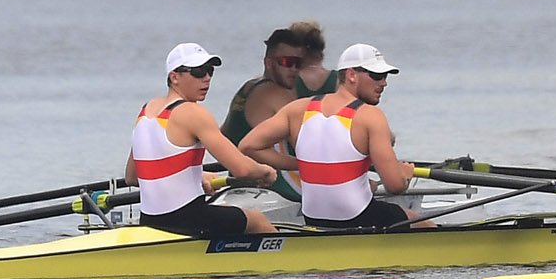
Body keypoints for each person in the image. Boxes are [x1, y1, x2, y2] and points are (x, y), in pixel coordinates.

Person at [241, 43, 425, 231]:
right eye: (376, 76)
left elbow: (248, 146)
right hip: (358, 216)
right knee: (421, 223)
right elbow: (394, 186)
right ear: (351, 75)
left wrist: (300, 164)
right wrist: (405, 175)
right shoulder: (371, 116)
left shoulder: (298, 109)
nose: (383, 82)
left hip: (314, 218)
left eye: (385, 76)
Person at [125, 43, 279, 239]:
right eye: (198, 72)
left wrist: (196, 176)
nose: (206, 78)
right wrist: (266, 172)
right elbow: (243, 170)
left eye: (209, 71)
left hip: (149, 221)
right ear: (174, 77)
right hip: (189, 221)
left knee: (227, 209)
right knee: (257, 220)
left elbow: (133, 177)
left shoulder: (147, 111)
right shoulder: (193, 112)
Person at [220, 21, 337, 144]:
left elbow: (223, 134)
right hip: (252, 162)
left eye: (298, 63)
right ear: (269, 63)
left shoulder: (248, 87)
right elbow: (308, 143)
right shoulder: (275, 94)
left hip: (232, 161)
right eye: (287, 62)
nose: (294, 69)